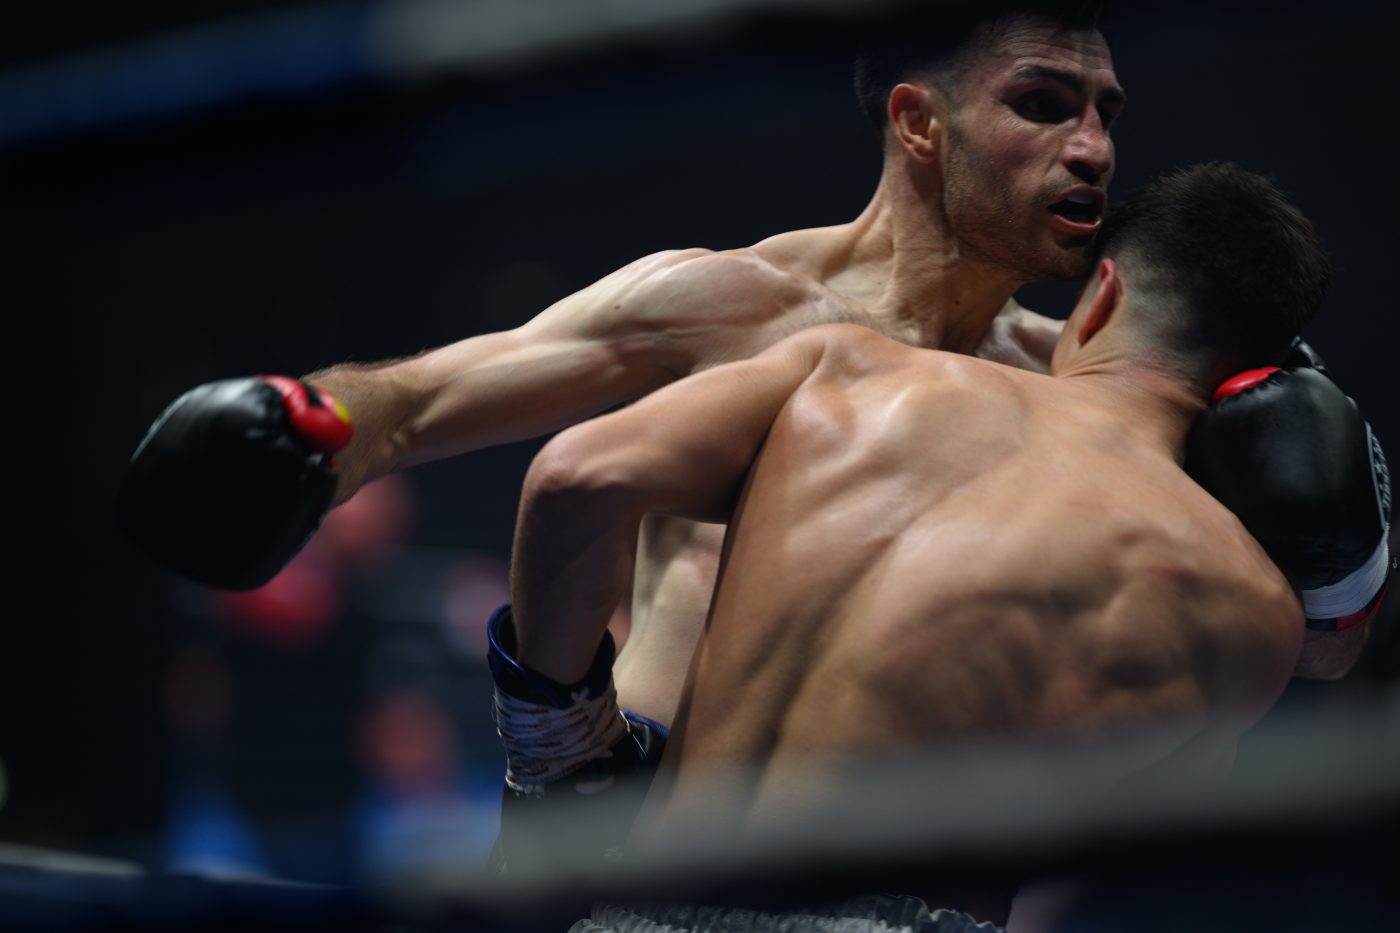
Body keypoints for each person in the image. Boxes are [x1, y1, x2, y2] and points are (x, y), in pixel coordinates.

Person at [488, 162, 1385, 932]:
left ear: (1103, 292)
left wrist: (558, 750)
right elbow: (1133, 838)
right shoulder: (1246, 604)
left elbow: (575, 478)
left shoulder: (846, 367)